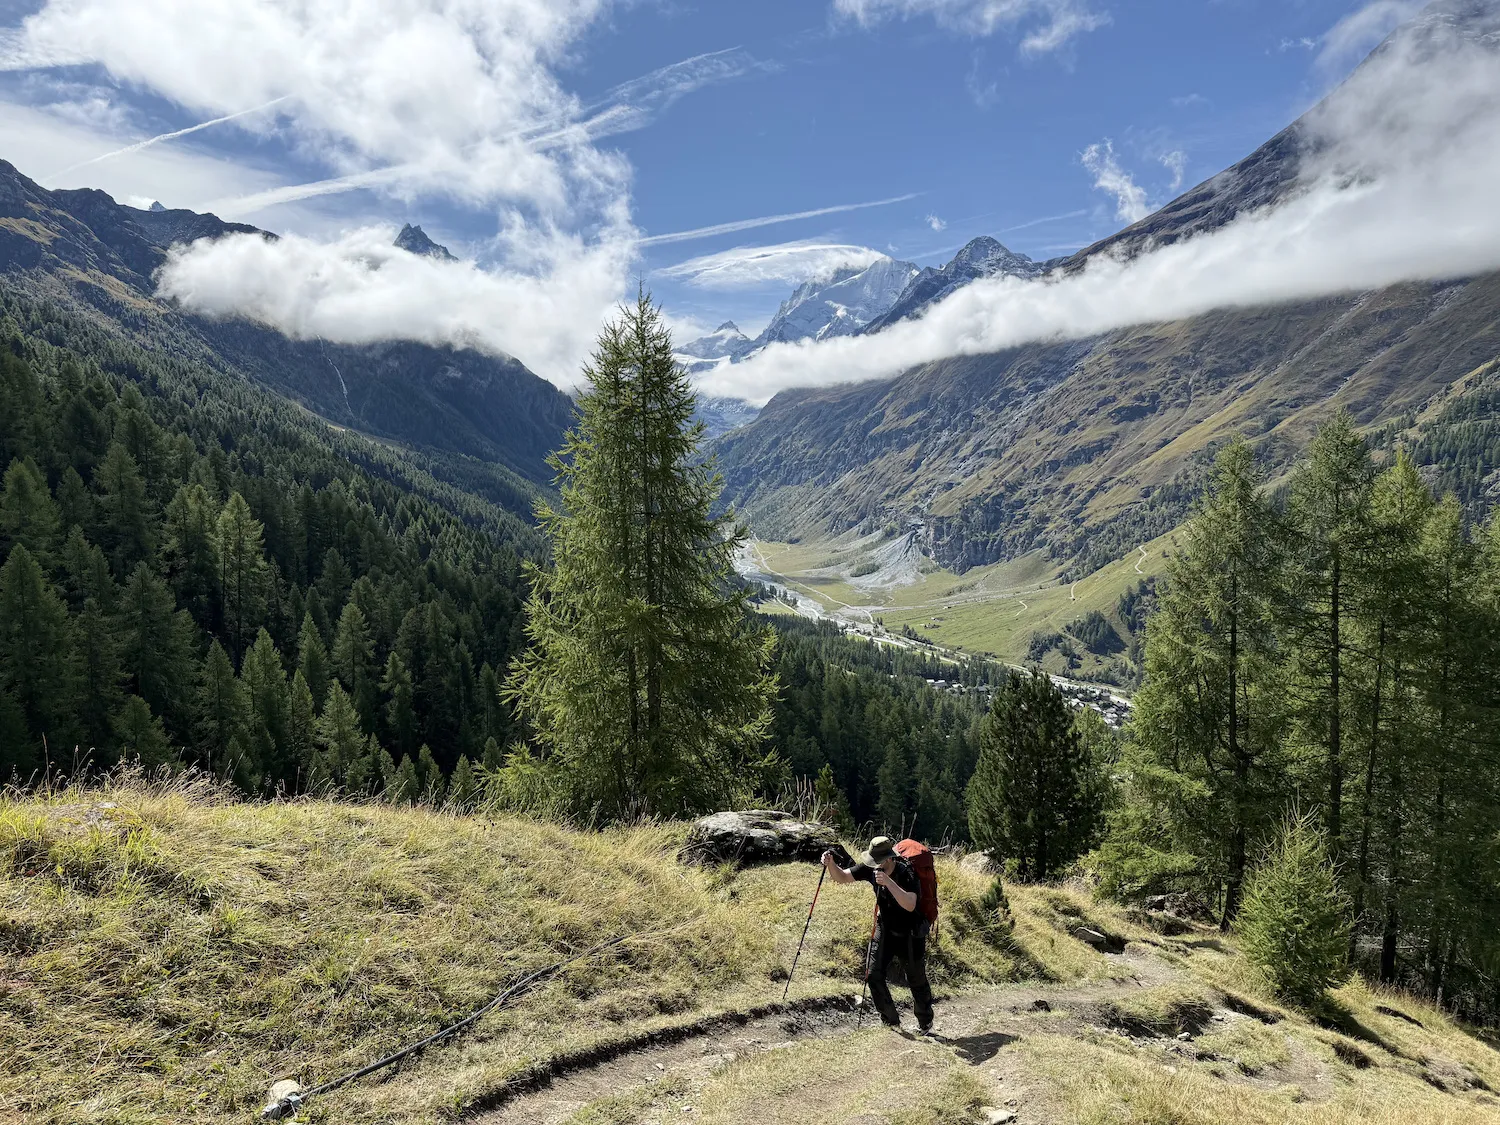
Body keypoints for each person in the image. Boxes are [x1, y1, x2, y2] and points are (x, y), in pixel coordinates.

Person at [821, 835, 934, 1033]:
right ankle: (891, 1022)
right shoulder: (871, 868)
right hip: (885, 928)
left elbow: (910, 904)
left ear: (889, 859)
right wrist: (830, 865)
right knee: (873, 974)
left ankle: (925, 1023)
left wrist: (889, 883)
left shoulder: (906, 872)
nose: (875, 866)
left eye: (878, 862)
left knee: (916, 979)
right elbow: (842, 877)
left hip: (910, 932)